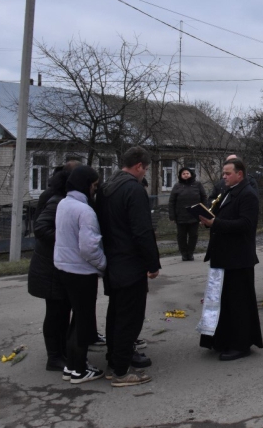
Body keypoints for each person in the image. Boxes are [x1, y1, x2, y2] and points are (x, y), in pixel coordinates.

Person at [96, 147, 160, 387]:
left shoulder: (107, 186)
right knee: (129, 319)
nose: (145, 174)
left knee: (116, 315)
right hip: (130, 263)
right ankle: (121, 372)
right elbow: (142, 231)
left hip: (113, 261)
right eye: (146, 169)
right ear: (139, 166)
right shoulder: (133, 189)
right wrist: (152, 263)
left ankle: (114, 362)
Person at [197, 159, 263, 361]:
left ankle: (240, 344)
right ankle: (223, 339)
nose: (223, 177)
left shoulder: (248, 195)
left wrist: (215, 223)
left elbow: (245, 225)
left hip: (238, 258)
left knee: (239, 303)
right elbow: (220, 217)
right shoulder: (228, 191)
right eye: (223, 173)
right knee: (223, 301)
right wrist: (208, 221)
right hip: (224, 255)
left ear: (239, 174)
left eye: (227, 173)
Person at [54, 166, 106, 383]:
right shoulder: (85, 211)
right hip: (81, 271)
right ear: (86, 185)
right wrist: (103, 264)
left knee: (76, 320)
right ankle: (79, 370)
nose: (95, 190)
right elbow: (88, 247)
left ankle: (72, 366)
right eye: (94, 185)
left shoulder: (64, 203)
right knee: (83, 320)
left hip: (64, 268)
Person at [30, 165, 77, 372]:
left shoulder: (63, 201)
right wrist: (64, 241)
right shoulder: (56, 201)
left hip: (56, 266)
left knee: (62, 311)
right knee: (55, 313)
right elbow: (40, 228)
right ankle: (54, 357)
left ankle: (61, 351)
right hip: (49, 267)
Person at [168, 167, 207, 261]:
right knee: (181, 236)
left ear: (191, 174)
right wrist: (172, 215)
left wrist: (204, 212)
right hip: (181, 215)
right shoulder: (177, 186)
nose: (186, 175)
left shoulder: (197, 185)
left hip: (194, 215)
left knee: (193, 235)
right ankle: (184, 254)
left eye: (187, 173)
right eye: (183, 174)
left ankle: (190, 253)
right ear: (181, 176)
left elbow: (204, 198)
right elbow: (172, 201)